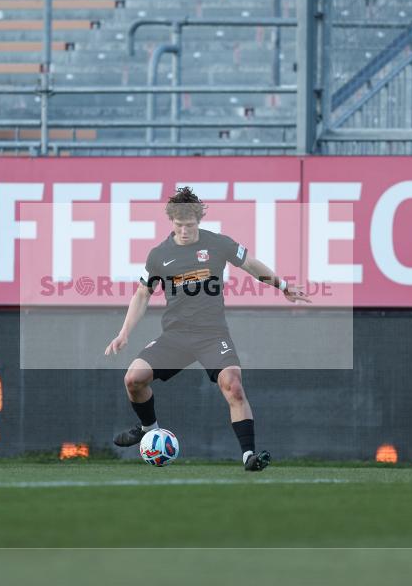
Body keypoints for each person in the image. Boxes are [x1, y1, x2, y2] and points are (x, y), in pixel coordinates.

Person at [104, 186, 311, 471]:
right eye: (179, 225)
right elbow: (142, 294)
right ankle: (148, 429)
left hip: (212, 336)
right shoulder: (159, 255)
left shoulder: (217, 243)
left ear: (198, 221)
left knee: (234, 387)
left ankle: (248, 456)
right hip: (175, 336)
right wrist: (124, 332)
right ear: (172, 222)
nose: (185, 230)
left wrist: (283, 286)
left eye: (190, 225)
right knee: (133, 379)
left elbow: (250, 265)